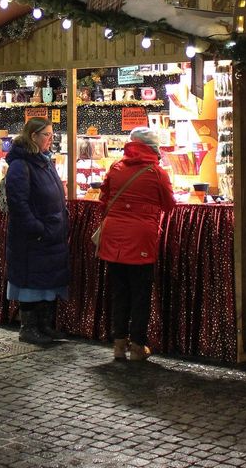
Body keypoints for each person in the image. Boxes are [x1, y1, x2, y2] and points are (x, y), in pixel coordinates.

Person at [96, 127, 176, 362]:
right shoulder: (157, 173)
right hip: (141, 238)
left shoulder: (116, 167)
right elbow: (169, 205)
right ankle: (138, 346)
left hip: (114, 237)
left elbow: (104, 198)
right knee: (140, 294)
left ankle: (119, 345)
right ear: (153, 148)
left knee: (119, 292)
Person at [3, 117, 69, 346]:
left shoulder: (44, 161)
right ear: (33, 136)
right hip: (33, 237)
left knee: (46, 281)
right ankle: (29, 328)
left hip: (49, 233)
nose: (51, 139)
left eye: (52, 134)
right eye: (46, 135)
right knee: (31, 282)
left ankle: (44, 326)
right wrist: (36, 228)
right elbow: (18, 203)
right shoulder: (21, 165)